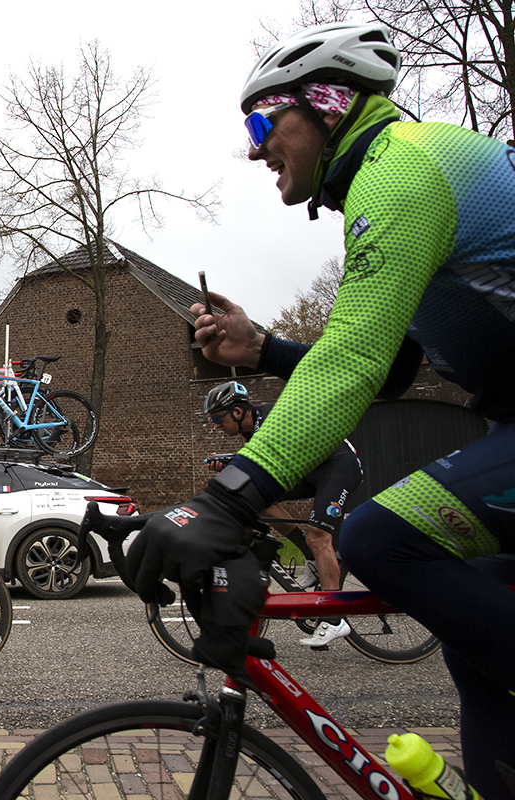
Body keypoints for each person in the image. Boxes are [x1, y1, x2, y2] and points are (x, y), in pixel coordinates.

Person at [126, 22, 515, 800]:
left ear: (328, 105)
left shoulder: (401, 173)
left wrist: (227, 498)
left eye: (262, 123)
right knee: (478, 640)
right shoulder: (401, 180)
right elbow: (390, 366)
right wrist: (262, 349)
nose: (252, 147)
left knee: (380, 538)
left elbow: (354, 361)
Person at [202, 381, 363, 647]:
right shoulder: (252, 429)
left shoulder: (271, 419)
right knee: (260, 499)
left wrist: (232, 461)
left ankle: (335, 619)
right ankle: (309, 556)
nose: (216, 424)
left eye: (218, 418)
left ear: (239, 412)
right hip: (312, 470)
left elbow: (265, 460)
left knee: (319, 536)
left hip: (338, 466)